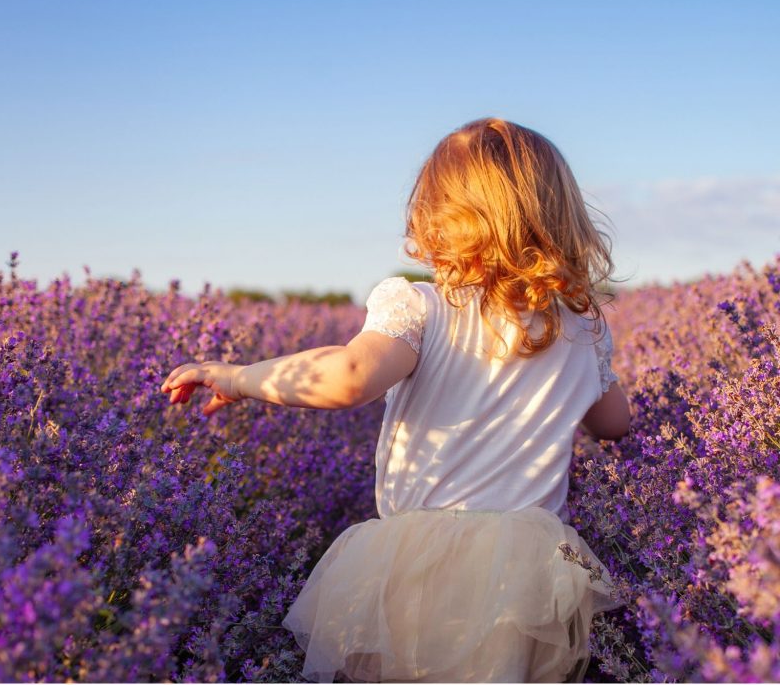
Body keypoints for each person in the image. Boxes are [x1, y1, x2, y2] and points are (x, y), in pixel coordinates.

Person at [160, 117, 630, 683]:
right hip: (530, 566)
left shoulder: (422, 307)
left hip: (423, 559)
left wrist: (236, 377)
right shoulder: (583, 327)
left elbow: (350, 375)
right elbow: (615, 424)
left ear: (437, 218)